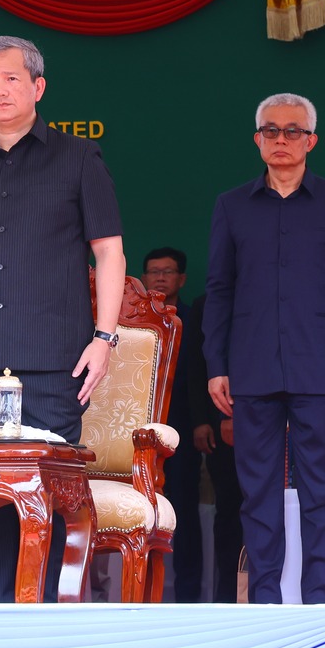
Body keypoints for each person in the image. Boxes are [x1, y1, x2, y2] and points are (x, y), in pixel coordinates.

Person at [0, 35, 125, 602]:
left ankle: (43, 629)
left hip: (52, 362)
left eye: (11, 78)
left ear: (38, 86)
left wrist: (104, 338)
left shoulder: (78, 157)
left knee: (47, 503)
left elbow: (109, 251)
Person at [206, 94, 325, 605]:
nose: (281, 139)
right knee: (257, 494)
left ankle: (318, 603)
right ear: (257, 140)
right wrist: (216, 365)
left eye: (293, 131)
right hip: (251, 368)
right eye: (271, 131)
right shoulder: (231, 205)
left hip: (319, 368)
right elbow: (220, 290)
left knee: (321, 491)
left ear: (311, 141)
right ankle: (266, 603)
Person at [143, 247, 214, 602]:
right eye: (153, 271)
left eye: (167, 272)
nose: (159, 278)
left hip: (181, 427)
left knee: (183, 508)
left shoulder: (191, 318)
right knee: (139, 509)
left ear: (182, 279)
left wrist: (201, 421)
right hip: (136, 430)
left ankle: (188, 596)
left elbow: (199, 375)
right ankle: (138, 591)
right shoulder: (129, 321)